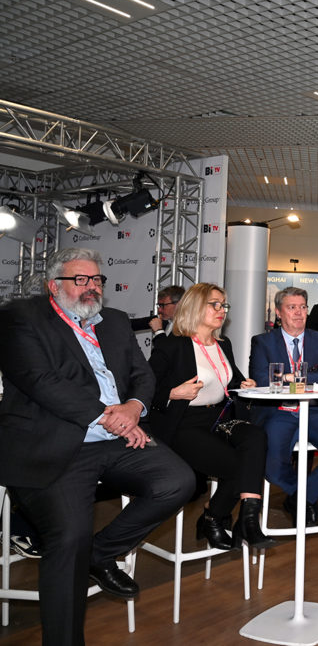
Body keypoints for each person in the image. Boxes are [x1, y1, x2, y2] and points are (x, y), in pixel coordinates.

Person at [0, 247, 194, 646]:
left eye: (96, 280)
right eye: (80, 279)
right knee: (69, 539)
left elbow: (143, 376)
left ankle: (100, 553)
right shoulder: (23, 318)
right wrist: (110, 417)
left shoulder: (115, 321)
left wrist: (133, 409)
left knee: (177, 481)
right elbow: (39, 381)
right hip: (56, 445)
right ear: (53, 286)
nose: (91, 287)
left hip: (117, 438)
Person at [147, 282, 273, 550]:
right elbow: (143, 390)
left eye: (223, 305)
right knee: (242, 466)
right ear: (194, 306)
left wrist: (244, 384)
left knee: (256, 436)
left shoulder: (223, 345)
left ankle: (245, 518)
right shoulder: (173, 346)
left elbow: (230, 380)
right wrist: (172, 393)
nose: (221, 310)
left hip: (219, 418)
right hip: (185, 424)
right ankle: (218, 517)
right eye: (214, 304)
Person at [249, 287, 318, 526]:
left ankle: (300, 498)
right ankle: (304, 496)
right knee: (272, 468)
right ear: (279, 312)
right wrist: (307, 376)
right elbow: (262, 378)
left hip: (317, 411)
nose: (299, 313)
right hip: (280, 412)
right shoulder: (263, 342)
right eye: (292, 307)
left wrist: (289, 376)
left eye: (303, 307)